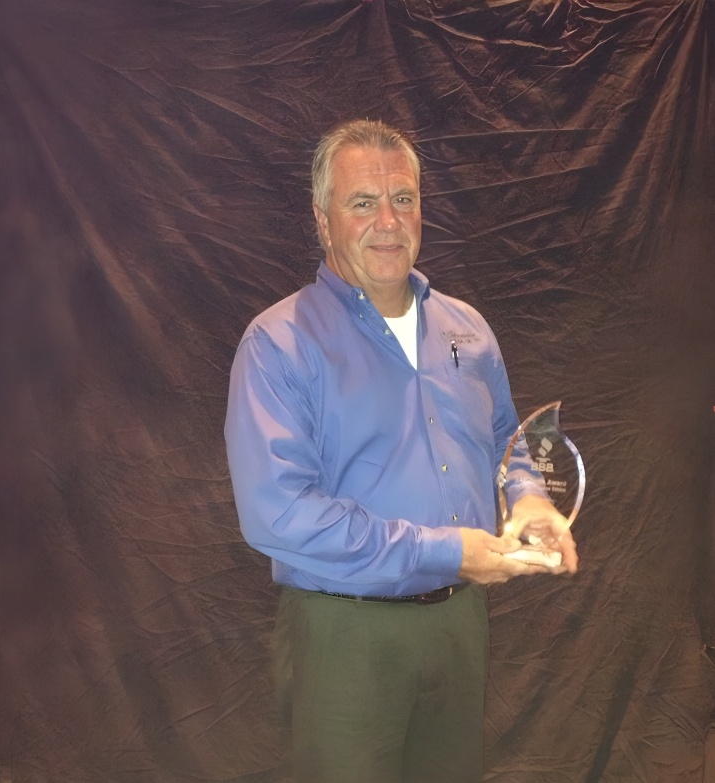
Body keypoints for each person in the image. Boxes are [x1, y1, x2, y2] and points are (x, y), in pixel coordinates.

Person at [224, 119, 578, 783]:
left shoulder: (466, 328)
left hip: (458, 623)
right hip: (345, 637)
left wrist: (529, 501)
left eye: (404, 199)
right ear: (322, 220)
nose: (387, 220)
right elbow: (278, 514)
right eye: (362, 203)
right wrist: (446, 550)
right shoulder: (278, 344)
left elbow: (507, 441)